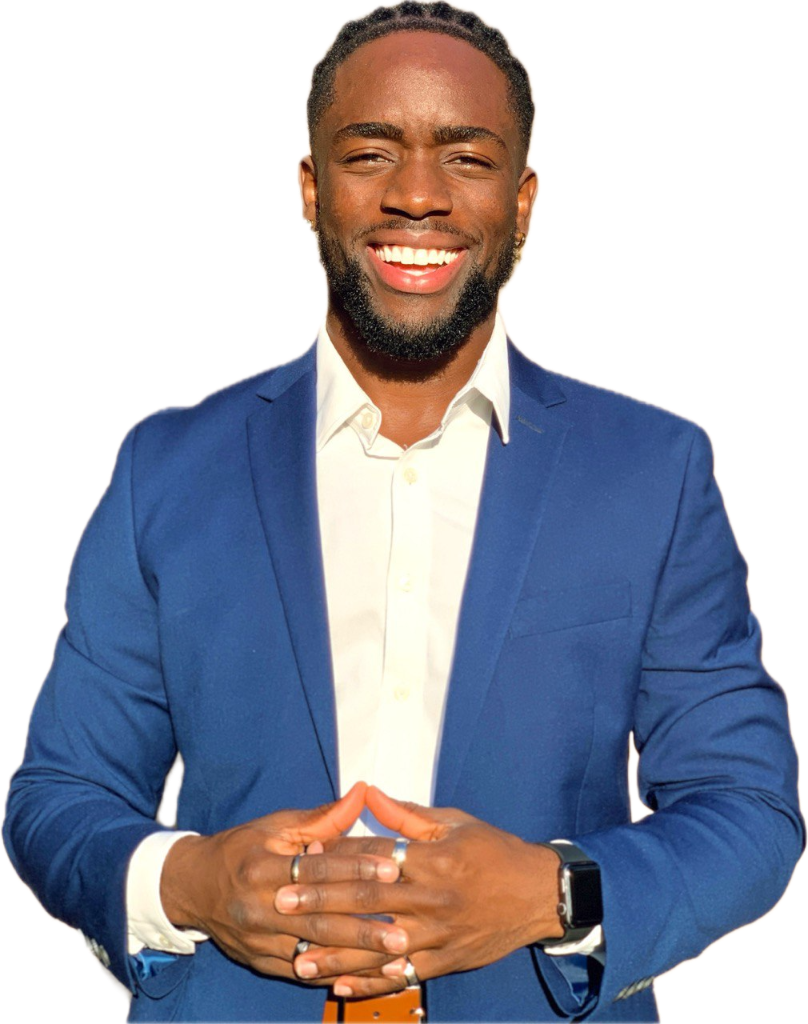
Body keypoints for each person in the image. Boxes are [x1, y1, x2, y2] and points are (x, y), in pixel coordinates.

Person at [2, 2, 804, 1021]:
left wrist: (551, 892)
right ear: (309, 188)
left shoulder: (654, 471)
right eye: (370, 153)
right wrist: (190, 882)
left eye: (465, 158)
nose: (416, 195)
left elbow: (747, 809)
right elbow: (58, 797)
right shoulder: (169, 466)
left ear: (523, 201)